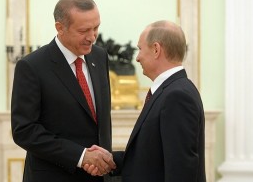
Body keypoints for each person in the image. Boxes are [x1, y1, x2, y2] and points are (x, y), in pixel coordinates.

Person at [11, 0, 116, 182]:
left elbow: (101, 122)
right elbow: (24, 131)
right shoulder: (32, 66)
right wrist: (81, 156)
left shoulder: (100, 57)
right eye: (84, 31)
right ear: (60, 28)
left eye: (96, 28)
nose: (92, 37)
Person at [84, 20, 206, 182]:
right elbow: (152, 157)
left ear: (156, 49)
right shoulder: (171, 90)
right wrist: (111, 160)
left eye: (140, 49)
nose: (137, 58)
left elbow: (181, 168)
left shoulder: (177, 96)